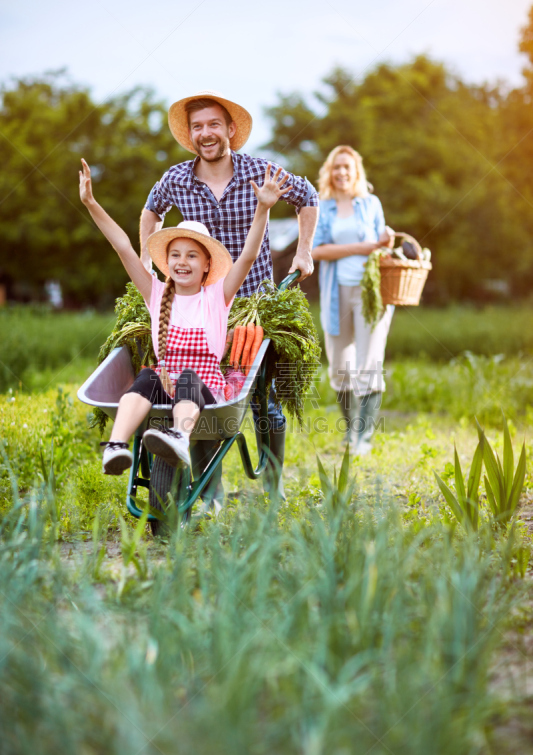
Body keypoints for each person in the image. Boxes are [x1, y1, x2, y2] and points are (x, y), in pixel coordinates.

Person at [139, 91, 319, 498]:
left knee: (262, 399)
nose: (206, 133)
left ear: (231, 130)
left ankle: (274, 487)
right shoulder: (176, 180)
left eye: (214, 124)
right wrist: (147, 260)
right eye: (198, 126)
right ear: (191, 134)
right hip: (195, 308)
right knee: (197, 390)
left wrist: (303, 251)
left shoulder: (261, 171)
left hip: (254, 308)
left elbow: (307, 197)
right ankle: (210, 494)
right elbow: (151, 212)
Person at [78, 158, 292, 475]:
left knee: (189, 377)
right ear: (166, 262)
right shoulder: (157, 294)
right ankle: (116, 447)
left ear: (207, 264)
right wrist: (91, 203)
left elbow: (248, 254)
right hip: (165, 387)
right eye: (175, 255)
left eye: (192, 255)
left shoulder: (217, 296)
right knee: (146, 377)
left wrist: (263, 209)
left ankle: (179, 437)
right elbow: (122, 245)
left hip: (205, 391)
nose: (183, 262)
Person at [312, 145, 395, 456]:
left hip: (370, 293)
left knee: (369, 363)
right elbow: (316, 250)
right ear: (329, 172)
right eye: (337, 167)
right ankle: (350, 430)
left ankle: (363, 438)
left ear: (356, 172)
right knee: (339, 366)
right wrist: (362, 247)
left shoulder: (370, 204)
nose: (342, 172)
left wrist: (382, 242)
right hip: (335, 291)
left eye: (347, 167)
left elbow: (381, 248)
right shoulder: (324, 206)